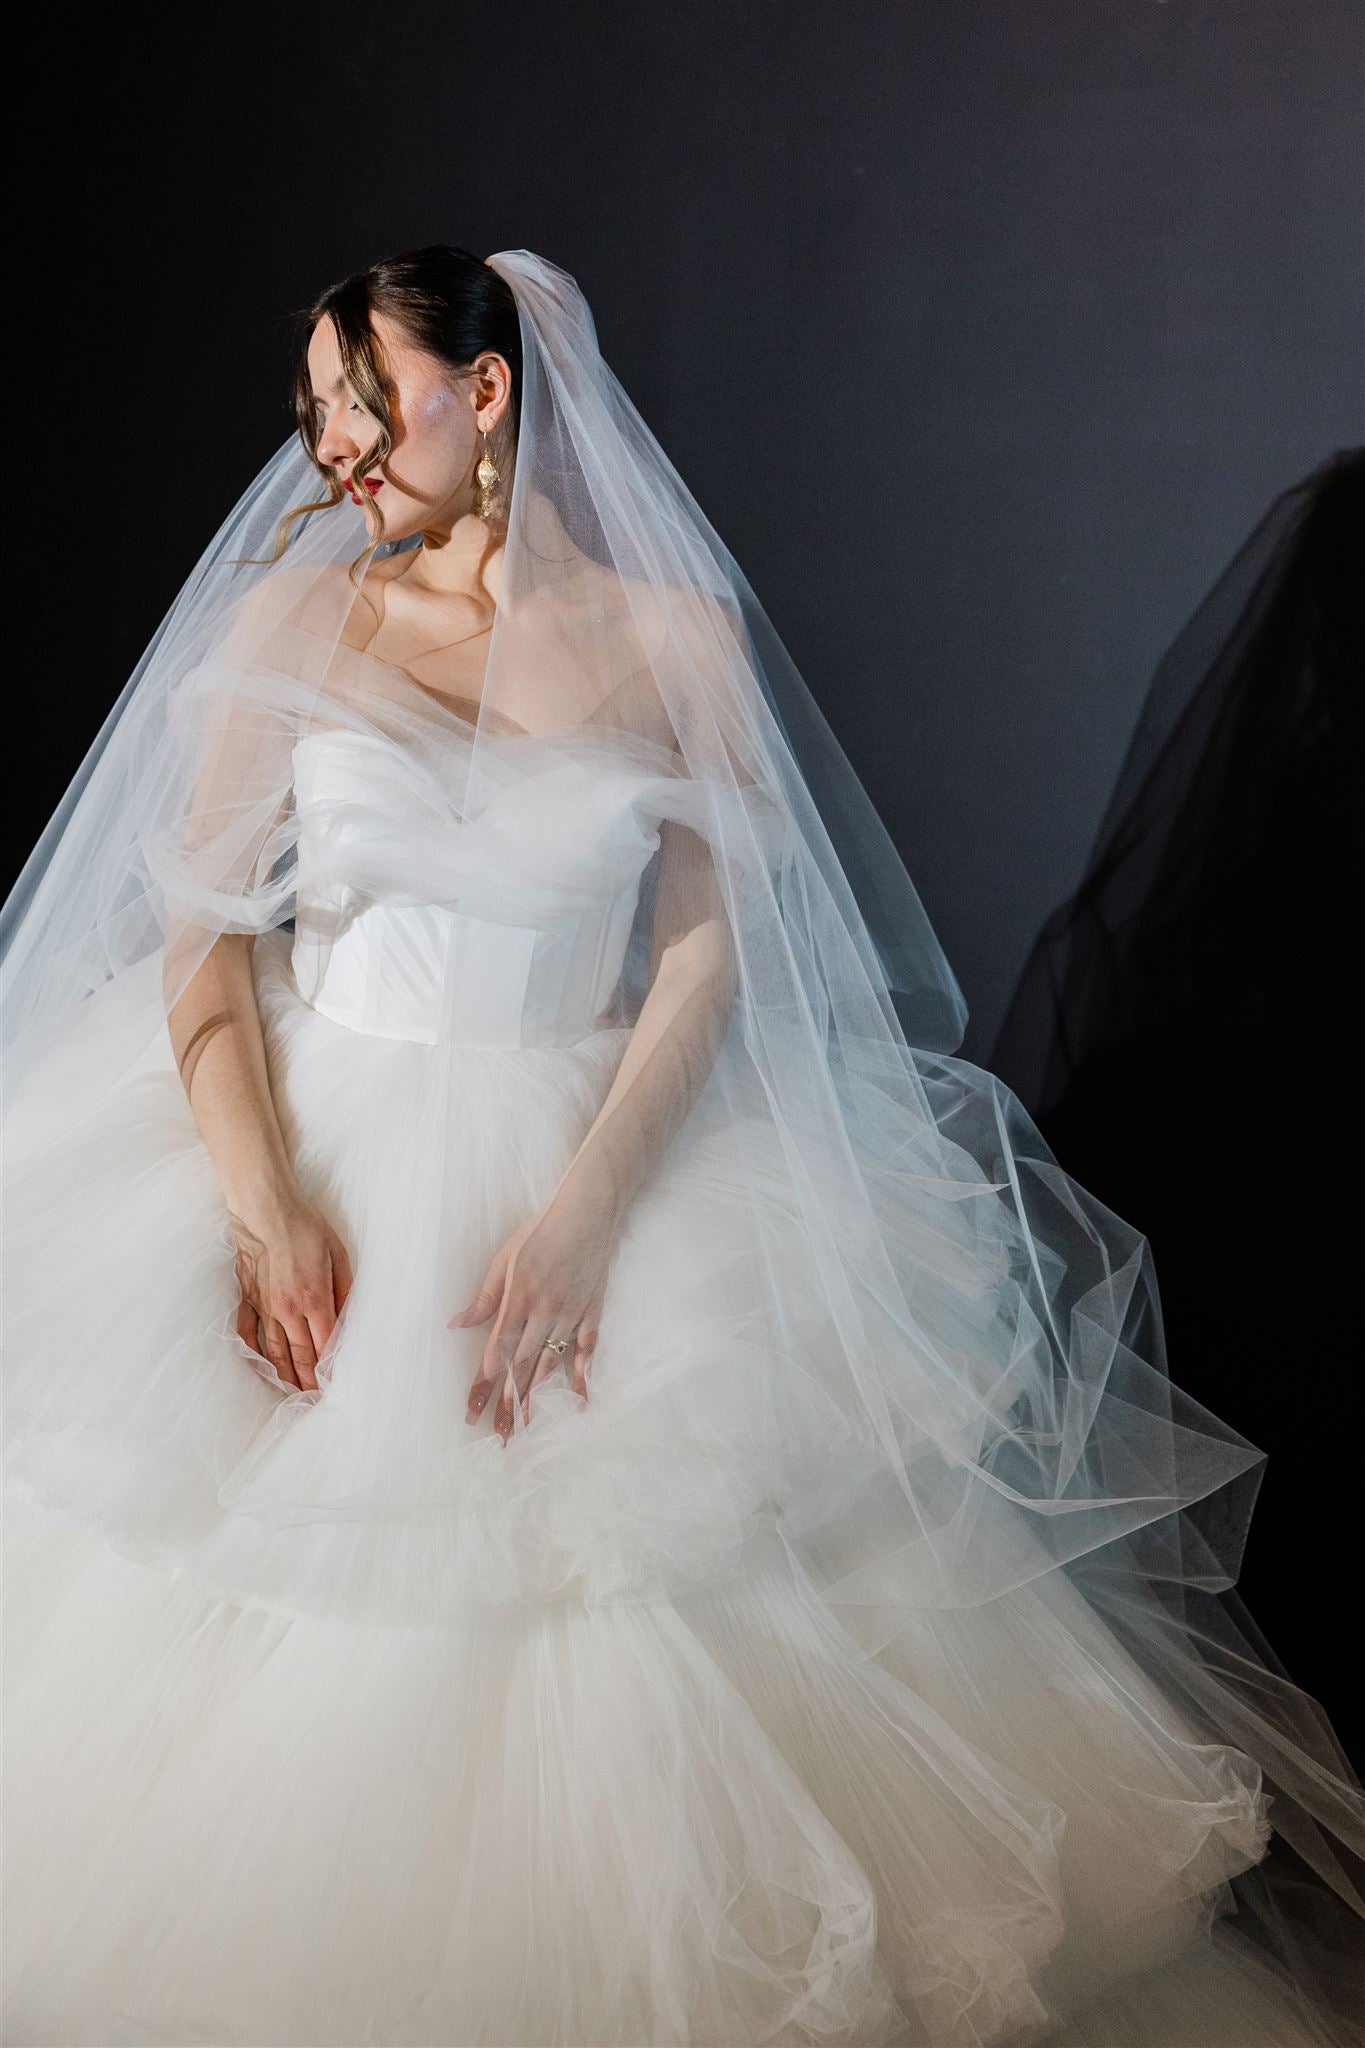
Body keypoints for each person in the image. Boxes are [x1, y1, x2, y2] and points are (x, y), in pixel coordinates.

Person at [2, 245, 1360, 2048]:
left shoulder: (670, 638)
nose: (329, 444)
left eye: (362, 396)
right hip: (317, 1141)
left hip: (600, 1155)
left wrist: (582, 1216)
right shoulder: (297, 623)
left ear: (483, 395)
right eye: (312, 409)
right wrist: (264, 1215)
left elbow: (705, 959)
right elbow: (202, 943)